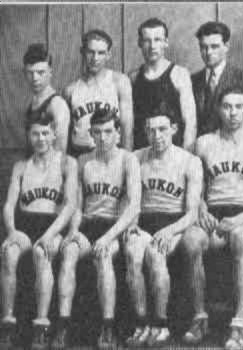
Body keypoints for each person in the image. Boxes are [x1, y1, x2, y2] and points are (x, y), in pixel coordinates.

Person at [183, 86, 243, 350]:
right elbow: (194, 189)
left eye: (238, 107)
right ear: (218, 109)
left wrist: (239, 219)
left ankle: (240, 322)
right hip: (215, 213)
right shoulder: (204, 143)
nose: (233, 112)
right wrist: (201, 206)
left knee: (239, 238)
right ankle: (200, 317)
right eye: (227, 106)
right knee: (191, 241)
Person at [52, 109, 141, 350]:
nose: (102, 138)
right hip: (88, 224)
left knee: (102, 256)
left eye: (108, 132)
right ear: (91, 133)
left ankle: (107, 327)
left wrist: (109, 237)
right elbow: (78, 206)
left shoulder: (128, 159)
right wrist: (73, 230)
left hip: (114, 225)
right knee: (69, 252)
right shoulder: (83, 161)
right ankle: (62, 325)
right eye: (97, 132)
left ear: (118, 133)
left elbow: (133, 206)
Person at [123, 103, 203, 347]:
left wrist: (170, 231)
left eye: (162, 129)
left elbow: (192, 213)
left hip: (174, 221)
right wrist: (132, 223)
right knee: (132, 252)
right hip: (144, 220)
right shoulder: (136, 158)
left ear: (174, 129)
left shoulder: (190, 161)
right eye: (151, 130)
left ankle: (161, 323)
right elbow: (131, 200)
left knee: (156, 254)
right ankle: (141, 322)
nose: (157, 136)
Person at [0, 111, 77, 349]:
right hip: (25, 224)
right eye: (35, 133)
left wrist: (50, 234)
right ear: (28, 135)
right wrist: (12, 230)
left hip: (53, 226)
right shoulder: (21, 166)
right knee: (9, 253)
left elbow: (70, 205)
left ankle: (41, 327)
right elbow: (10, 204)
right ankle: (8, 324)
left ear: (54, 134)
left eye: (45, 133)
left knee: (42, 253)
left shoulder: (67, 163)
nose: (41, 138)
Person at [130, 18, 197, 151]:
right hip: (143, 156)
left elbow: (190, 123)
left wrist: (184, 159)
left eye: (157, 40)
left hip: (172, 157)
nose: (152, 46)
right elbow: (129, 126)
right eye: (147, 40)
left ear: (166, 42)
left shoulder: (179, 74)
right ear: (139, 43)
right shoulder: (133, 77)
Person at [64, 29, 134, 156]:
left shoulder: (119, 82)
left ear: (109, 55)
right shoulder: (70, 90)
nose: (95, 58)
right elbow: (65, 135)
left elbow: (126, 128)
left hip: (112, 153)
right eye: (91, 52)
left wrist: (126, 161)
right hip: (80, 155)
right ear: (82, 52)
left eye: (101, 53)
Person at [192, 21, 243, 136]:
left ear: (226, 46)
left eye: (214, 47)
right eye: (203, 47)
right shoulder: (192, 81)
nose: (208, 52)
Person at [23, 43, 70, 153]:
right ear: (24, 73)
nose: (35, 78)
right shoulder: (32, 101)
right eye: (30, 73)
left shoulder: (57, 105)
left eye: (40, 72)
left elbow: (60, 151)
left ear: (50, 72)